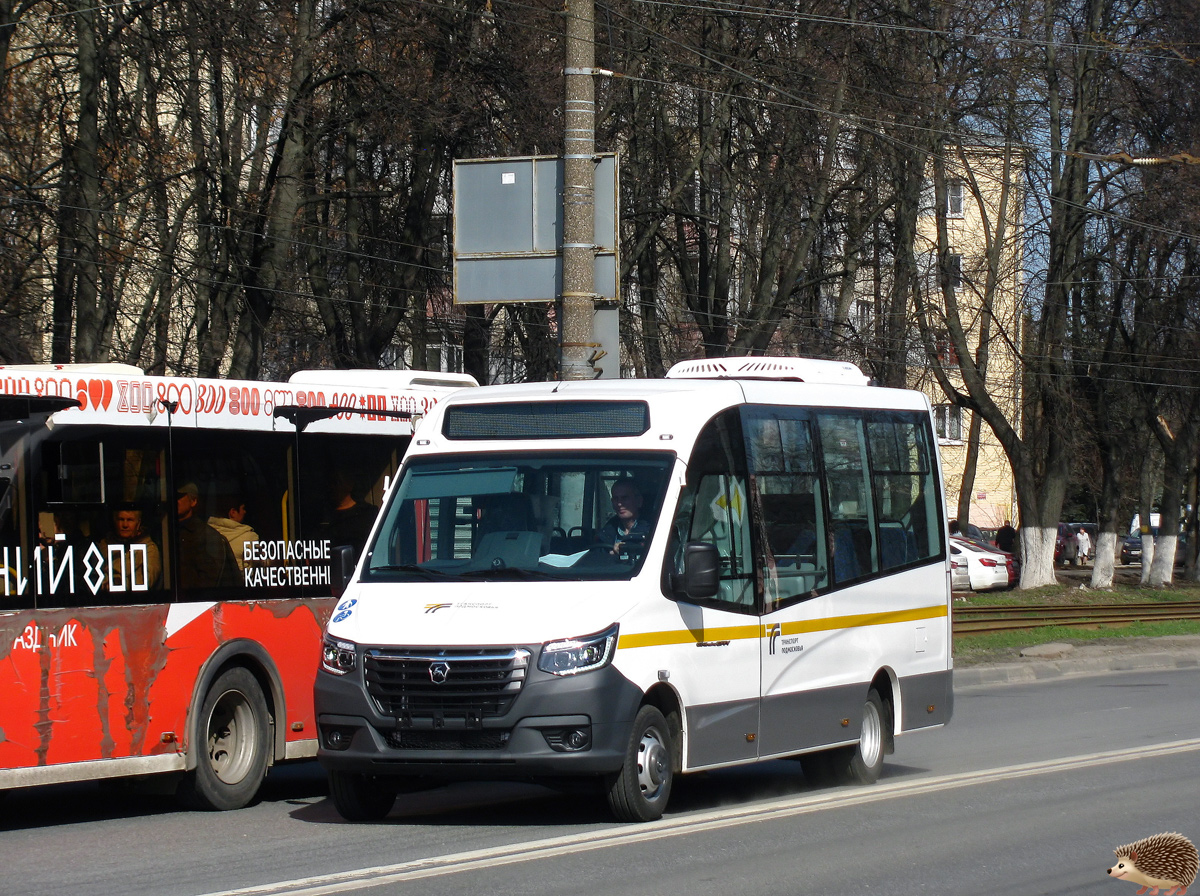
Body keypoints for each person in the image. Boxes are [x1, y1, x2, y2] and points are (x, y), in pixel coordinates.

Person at [176, 482, 239, 588]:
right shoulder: (165, 532)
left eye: (179, 497)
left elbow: (210, 579)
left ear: (193, 501)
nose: (175, 501)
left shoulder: (205, 535)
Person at [101, 504, 162, 589]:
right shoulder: (103, 546)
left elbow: (144, 583)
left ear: (138, 523)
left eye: (130, 520)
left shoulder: (149, 549)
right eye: (121, 519)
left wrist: (116, 583)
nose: (125, 525)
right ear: (115, 521)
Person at [324, 469, 377, 558]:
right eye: (330, 483)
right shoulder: (325, 518)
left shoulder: (368, 514)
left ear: (350, 484)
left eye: (337, 482)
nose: (333, 487)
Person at [596, 478, 652, 559]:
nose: (619, 504)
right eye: (616, 499)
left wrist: (626, 548)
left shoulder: (653, 530)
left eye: (625, 498)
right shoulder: (605, 533)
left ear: (638, 501)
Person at [208, 494, 259, 571]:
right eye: (243, 509)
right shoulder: (250, 537)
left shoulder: (205, 532)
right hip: (239, 582)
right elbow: (253, 570)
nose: (244, 512)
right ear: (233, 512)